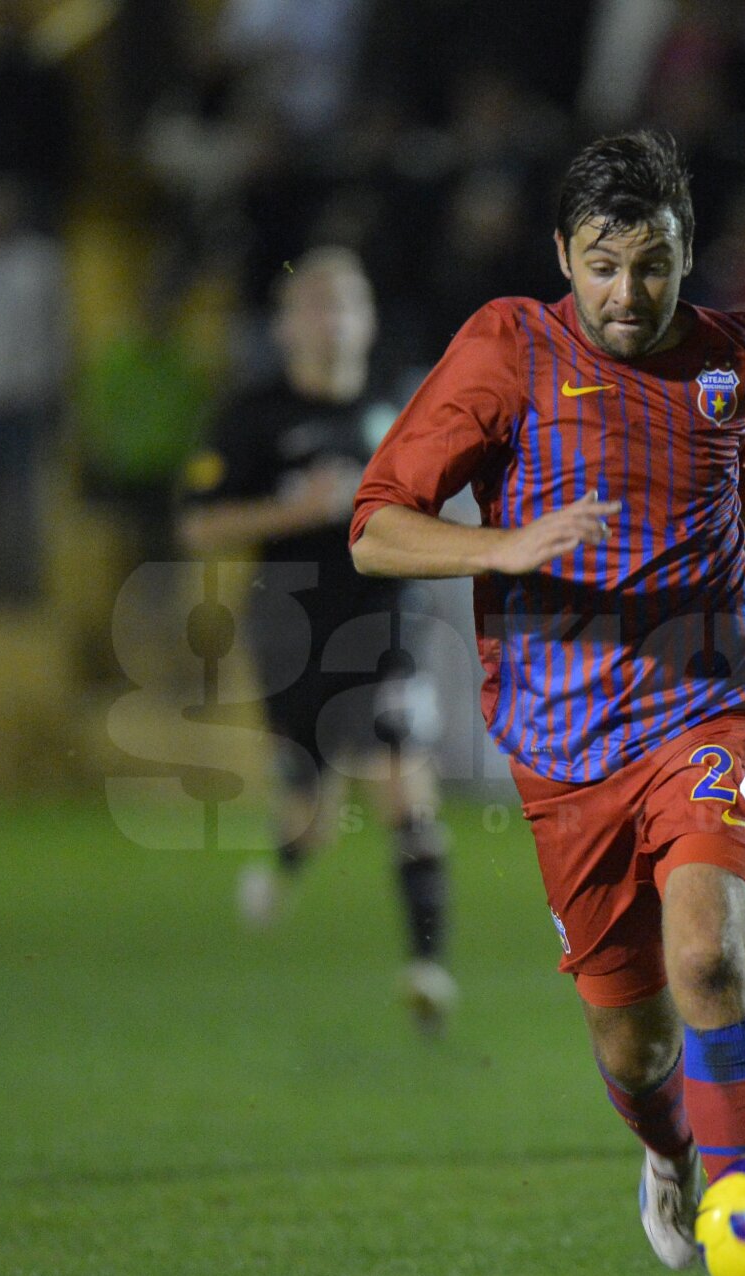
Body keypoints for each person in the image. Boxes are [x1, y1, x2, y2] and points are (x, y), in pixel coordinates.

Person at [350, 131, 745, 1276]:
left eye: (652, 264)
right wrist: (498, 550)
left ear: (686, 254)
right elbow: (376, 530)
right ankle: (667, 1152)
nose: (628, 293)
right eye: (603, 266)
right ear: (564, 257)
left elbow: (740, 469)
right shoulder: (508, 349)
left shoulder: (738, 353)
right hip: (568, 749)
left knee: (709, 959)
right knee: (636, 1043)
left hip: (723, 707)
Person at [179, 247, 458, 1035]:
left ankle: (426, 969)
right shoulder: (252, 415)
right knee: (311, 806)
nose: (333, 318)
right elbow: (200, 523)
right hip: (292, 625)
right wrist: (293, 511)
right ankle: (288, 860)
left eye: (348, 303)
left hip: (387, 618)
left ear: (368, 321)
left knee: (405, 782)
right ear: (286, 324)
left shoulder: (400, 406)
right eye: (317, 303)